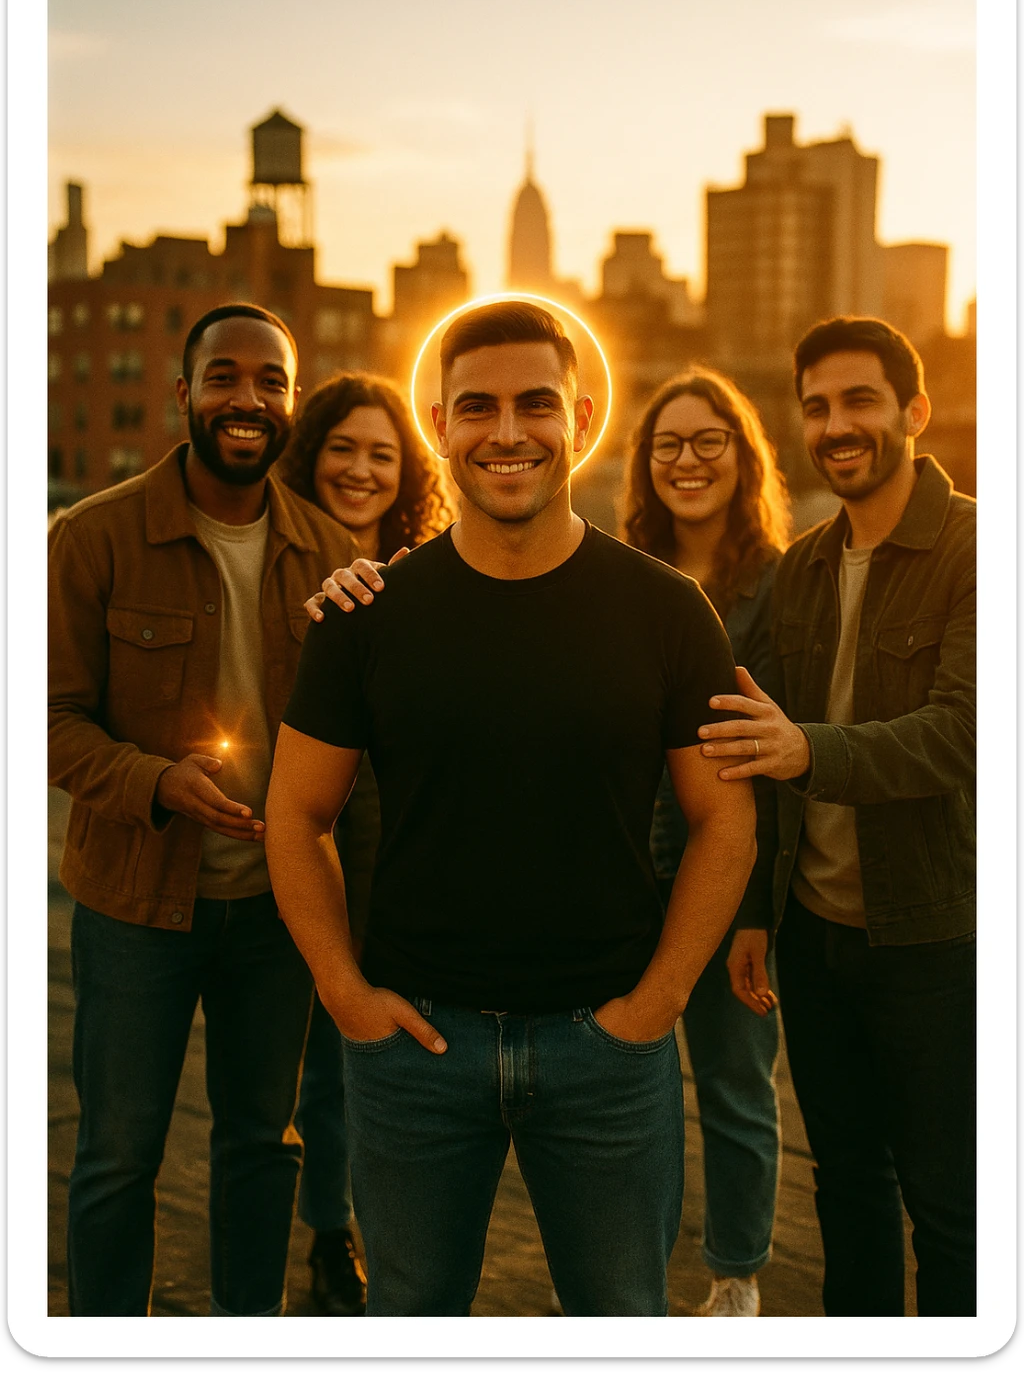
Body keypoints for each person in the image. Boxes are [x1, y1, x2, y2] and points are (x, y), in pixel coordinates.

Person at [265, 299, 757, 1317]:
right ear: (438, 424)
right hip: (413, 1050)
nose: (506, 432)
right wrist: (345, 993)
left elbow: (724, 821)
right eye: (475, 407)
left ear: (580, 419)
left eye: (535, 404)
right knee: (409, 1320)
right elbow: (296, 817)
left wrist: (657, 1004)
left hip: (608, 1049)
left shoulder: (666, 609)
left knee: (621, 1315)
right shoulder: (366, 617)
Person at [48, 303, 358, 1317]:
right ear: (184, 395)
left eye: (270, 382)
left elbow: (369, 738)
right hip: (136, 905)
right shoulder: (92, 539)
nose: (247, 399)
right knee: (116, 1160)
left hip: (279, 908)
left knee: (263, 1148)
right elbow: (47, 722)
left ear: (291, 405)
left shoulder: (331, 552)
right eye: (224, 377)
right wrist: (154, 784)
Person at [699, 316, 976, 1317]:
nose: (834, 425)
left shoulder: (977, 548)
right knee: (847, 1190)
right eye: (816, 407)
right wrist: (758, 915)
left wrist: (809, 750)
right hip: (815, 938)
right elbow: (759, 753)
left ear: (913, 411)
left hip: (939, 938)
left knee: (952, 1210)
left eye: (858, 401)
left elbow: (961, 733)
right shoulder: (803, 566)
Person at [273, 373, 454, 1315]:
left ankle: (339, 1232)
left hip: (390, 848)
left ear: (408, 469)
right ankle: (296, 1232)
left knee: (360, 1050)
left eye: (384, 454)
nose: (361, 469)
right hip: (287, 836)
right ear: (311, 455)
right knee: (284, 1060)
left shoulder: (432, 570)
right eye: (343, 448)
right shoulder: (281, 559)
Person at [622, 366, 788, 1317]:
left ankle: (737, 1276)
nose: (687, 460)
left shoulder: (782, 582)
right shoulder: (619, 575)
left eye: (708, 440)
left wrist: (756, 908)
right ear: (646, 465)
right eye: (667, 444)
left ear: (743, 454)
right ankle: (627, 1272)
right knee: (629, 1081)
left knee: (733, 1080)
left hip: (733, 873)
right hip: (625, 868)